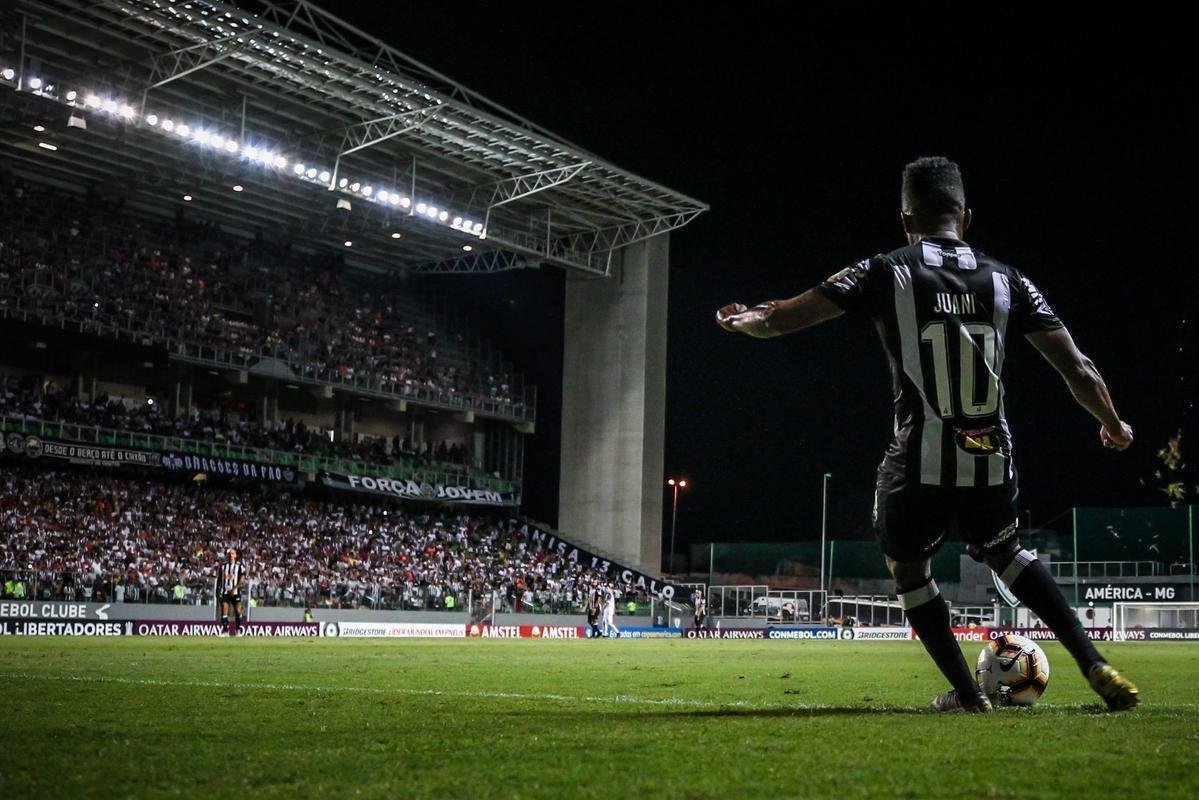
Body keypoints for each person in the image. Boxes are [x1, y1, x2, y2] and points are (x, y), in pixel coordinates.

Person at [716, 156, 1138, 713]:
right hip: (991, 454)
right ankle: (1092, 661)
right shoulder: (1010, 280)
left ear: (905, 218)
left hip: (917, 459)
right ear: (965, 216)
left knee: (908, 569)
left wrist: (742, 320)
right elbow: (1078, 369)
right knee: (1007, 551)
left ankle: (969, 696)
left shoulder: (886, 269)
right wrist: (1113, 423)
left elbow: (784, 317)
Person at [216, 548, 247, 637]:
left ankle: (238, 630)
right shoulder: (223, 566)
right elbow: (219, 578)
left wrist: (235, 588)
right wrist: (218, 590)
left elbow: (242, 579)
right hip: (224, 591)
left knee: (237, 611)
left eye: (232, 554)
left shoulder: (240, 566)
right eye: (229, 554)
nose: (230, 555)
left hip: (235, 591)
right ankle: (225, 631)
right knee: (224, 610)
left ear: (236, 555)